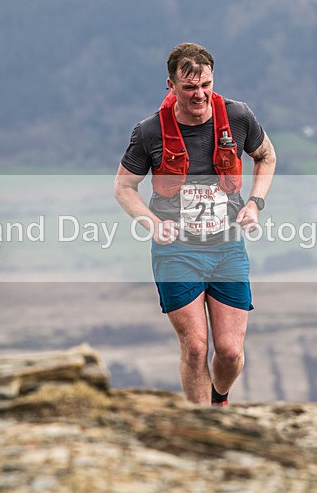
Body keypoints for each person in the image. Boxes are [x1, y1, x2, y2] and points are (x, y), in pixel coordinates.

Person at [114, 43, 277, 405]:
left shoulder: (238, 116)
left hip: (227, 247)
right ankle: (202, 422)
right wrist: (151, 222)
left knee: (230, 351)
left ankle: (219, 399)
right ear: (171, 86)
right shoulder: (150, 131)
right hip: (176, 251)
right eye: (189, 87)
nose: (199, 94)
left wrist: (255, 202)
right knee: (195, 348)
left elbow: (266, 155)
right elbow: (123, 187)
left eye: (205, 85)